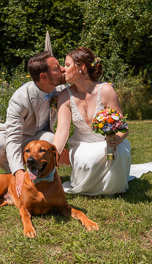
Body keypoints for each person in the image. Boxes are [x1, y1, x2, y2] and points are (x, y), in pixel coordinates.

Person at [53, 47, 132, 195]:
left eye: (68, 65)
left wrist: (116, 140)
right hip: (82, 143)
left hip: (110, 141)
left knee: (119, 153)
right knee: (91, 159)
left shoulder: (106, 90)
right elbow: (61, 132)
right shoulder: (64, 96)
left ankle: (114, 185)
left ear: (81, 67)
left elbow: (124, 128)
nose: (63, 69)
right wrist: (52, 156)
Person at [0, 51, 66, 197]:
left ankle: (45, 176)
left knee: (51, 140)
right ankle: (16, 177)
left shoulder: (60, 90)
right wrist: (18, 170)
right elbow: (14, 138)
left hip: (41, 136)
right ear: (44, 77)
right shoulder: (20, 98)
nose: (62, 69)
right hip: (19, 135)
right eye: (56, 68)